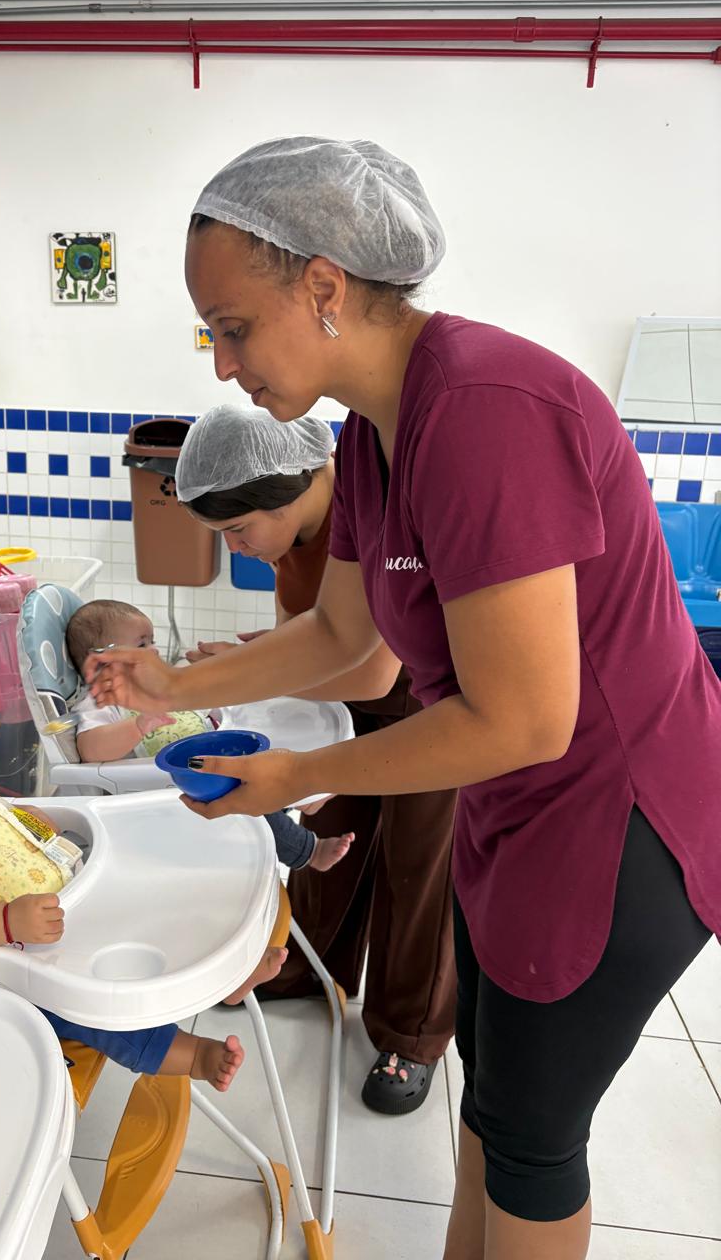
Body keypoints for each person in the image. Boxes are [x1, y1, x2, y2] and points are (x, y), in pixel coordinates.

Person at [85, 138, 721, 1260]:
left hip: (613, 826)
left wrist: (296, 775)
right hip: (518, 810)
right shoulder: (377, 433)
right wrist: (175, 685)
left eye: (233, 326)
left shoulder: (484, 410)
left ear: (323, 285)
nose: (224, 366)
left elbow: (525, 717)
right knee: (490, 1114)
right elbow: (347, 640)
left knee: (532, 1144)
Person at [176, 404, 458, 1115]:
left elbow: (374, 674)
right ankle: (309, 968)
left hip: (431, 703)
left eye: (238, 529)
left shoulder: (369, 515)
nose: (235, 547)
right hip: (351, 708)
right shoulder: (291, 535)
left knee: (418, 866)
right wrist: (251, 659)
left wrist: (233, 675)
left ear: (288, 491)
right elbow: (298, 634)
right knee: (330, 837)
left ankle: (411, 1034)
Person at [0, 681, 289, 1092]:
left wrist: (42, 829)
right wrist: (2, 920)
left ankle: (228, 980)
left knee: (153, 909)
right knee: (102, 1009)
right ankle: (191, 1055)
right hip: (9, 978)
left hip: (67, 917)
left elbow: (19, 824)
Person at [65, 597, 354, 874]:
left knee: (269, 766)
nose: (153, 651)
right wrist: (138, 725)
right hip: (185, 778)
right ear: (103, 660)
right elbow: (91, 749)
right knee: (247, 796)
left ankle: (301, 796)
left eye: (152, 641)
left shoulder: (156, 684)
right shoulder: (100, 701)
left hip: (216, 749)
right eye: (142, 645)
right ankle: (308, 851)